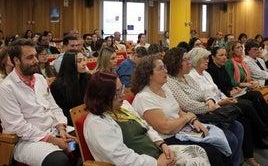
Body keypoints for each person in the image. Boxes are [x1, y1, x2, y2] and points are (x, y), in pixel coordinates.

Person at [84, 71, 210, 166]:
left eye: (121, 89)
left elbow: (145, 126)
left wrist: (162, 145)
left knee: (198, 152)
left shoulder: (123, 106)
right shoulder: (97, 123)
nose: (122, 94)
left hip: (153, 152)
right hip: (141, 162)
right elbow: (121, 158)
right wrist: (155, 163)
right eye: (117, 93)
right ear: (103, 96)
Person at [131, 55, 232, 166]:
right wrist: (187, 117)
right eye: (161, 69)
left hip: (180, 130)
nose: (166, 71)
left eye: (164, 67)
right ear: (148, 74)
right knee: (212, 151)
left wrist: (194, 120)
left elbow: (178, 110)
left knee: (218, 142)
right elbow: (166, 128)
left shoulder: (164, 87)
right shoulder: (144, 98)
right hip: (165, 140)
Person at [0, 38, 76, 166]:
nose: (36, 61)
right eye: (30, 57)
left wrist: (61, 128)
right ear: (16, 61)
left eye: (35, 56)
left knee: (85, 139)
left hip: (54, 131)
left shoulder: (40, 79)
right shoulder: (6, 88)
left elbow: (54, 107)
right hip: (28, 141)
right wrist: (54, 140)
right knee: (59, 161)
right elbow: (17, 126)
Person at [188, 47, 268, 166]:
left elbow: (218, 90)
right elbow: (202, 97)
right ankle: (264, 131)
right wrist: (222, 101)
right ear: (197, 60)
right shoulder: (192, 76)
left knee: (245, 120)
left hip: (222, 101)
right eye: (204, 58)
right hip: (212, 108)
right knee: (248, 105)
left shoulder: (206, 74)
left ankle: (248, 156)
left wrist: (226, 97)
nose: (207, 60)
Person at [163, 47, 243, 166]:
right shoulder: (170, 81)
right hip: (193, 118)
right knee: (230, 139)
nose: (189, 62)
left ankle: (234, 162)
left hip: (207, 113)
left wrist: (209, 100)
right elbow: (187, 104)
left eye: (189, 59)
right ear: (175, 63)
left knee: (238, 127)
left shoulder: (187, 77)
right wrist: (209, 107)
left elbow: (202, 94)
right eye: (185, 60)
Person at [207, 47, 268, 148]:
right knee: (249, 105)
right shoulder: (211, 70)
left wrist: (234, 88)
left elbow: (228, 82)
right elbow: (217, 89)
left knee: (256, 96)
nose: (224, 58)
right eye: (221, 55)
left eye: (225, 55)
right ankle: (264, 129)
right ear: (213, 57)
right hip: (224, 98)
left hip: (232, 92)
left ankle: (263, 127)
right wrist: (230, 91)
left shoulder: (222, 67)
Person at [50, 50, 91, 125]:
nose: (84, 63)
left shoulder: (88, 78)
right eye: (79, 61)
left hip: (89, 117)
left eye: (84, 60)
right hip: (70, 122)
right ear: (70, 64)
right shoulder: (57, 86)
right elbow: (61, 112)